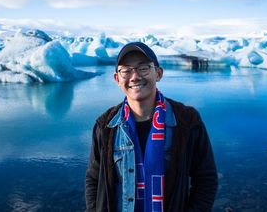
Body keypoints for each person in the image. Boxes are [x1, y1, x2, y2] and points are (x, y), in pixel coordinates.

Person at [85, 42, 218, 212]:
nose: (134, 77)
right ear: (117, 79)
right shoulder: (105, 126)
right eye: (126, 70)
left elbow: (206, 178)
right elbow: (94, 179)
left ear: (158, 73)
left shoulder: (187, 121)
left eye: (143, 68)